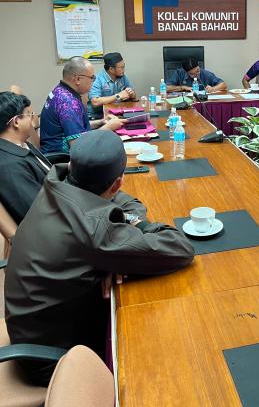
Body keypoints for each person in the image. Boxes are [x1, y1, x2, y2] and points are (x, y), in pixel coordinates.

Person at [5, 130, 194, 385]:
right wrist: (126, 240)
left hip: (36, 325)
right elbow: (181, 248)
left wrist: (112, 255)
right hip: (53, 359)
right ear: (117, 183)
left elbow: (125, 206)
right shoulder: (94, 230)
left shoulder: (56, 183)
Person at [40, 56, 123, 154]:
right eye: (92, 77)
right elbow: (78, 146)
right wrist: (108, 128)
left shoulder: (61, 91)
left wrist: (101, 122)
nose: (93, 81)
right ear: (78, 79)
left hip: (57, 150)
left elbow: (76, 126)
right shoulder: (67, 102)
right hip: (62, 157)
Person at [0, 91, 51, 223]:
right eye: (28, 114)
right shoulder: (10, 167)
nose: (32, 119)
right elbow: (41, 212)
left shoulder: (22, 143)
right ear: (16, 122)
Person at [88, 52, 136, 118]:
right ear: (111, 69)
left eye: (124, 66)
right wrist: (118, 96)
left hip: (117, 112)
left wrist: (132, 94)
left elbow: (133, 96)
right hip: (99, 115)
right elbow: (95, 102)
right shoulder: (98, 79)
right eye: (121, 68)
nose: (123, 70)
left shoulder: (122, 77)